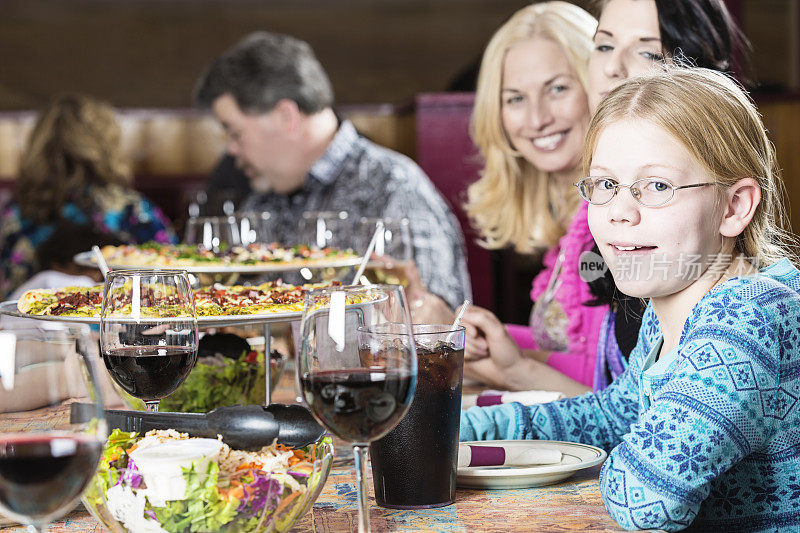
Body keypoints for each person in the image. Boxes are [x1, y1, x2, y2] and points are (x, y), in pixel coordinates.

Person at [461, 68, 800, 532]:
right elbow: (612, 414)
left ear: (734, 207)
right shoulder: (671, 310)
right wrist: (467, 431)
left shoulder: (746, 316)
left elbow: (647, 501)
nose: (620, 212)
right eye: (604, 185)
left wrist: (632, 454)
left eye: (657, 186)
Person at [460, 0, 749, 395]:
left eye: (648, 50)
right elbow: (623, 403)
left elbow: (621, 408)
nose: (537, 117)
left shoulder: (670, 248)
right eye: (605, 45)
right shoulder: (603, 217)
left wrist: (510, 374)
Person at [192, 31, 471, 309]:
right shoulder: (261, 195)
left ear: (285, 117)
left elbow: (434, 329)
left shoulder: (394, 188)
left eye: (234, 132)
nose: (231, 150)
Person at [0, 94, 177, 299]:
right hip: (117, 326)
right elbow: (170, 278)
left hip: (31, 327)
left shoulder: (17, 214)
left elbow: (7, 295)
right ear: (107, 145)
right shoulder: (132, 210)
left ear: (39, 147)